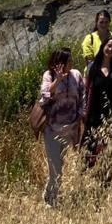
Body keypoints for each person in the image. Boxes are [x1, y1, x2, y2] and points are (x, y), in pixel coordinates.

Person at [38, 47, 84, 207]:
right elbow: (44, 97)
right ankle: (52, 200)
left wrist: (79, 117)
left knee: (59, 165)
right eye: (69, 60)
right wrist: (57, 80)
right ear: (61, 63)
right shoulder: (48, 75)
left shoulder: (76, 75)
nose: (72, 63)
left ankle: (49, 192)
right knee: (55, 165)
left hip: (70, 128)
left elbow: (82, 96)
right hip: (52, 129)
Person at [82, 35, 112, 173]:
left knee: (109, 152)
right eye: (109, 46)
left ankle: (106, 182)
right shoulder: (93, 67)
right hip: (94, 115)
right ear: (103, 46)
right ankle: (88, 181)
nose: (111, 49)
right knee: (90, 150)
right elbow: (86, 91)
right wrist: (84, 112)